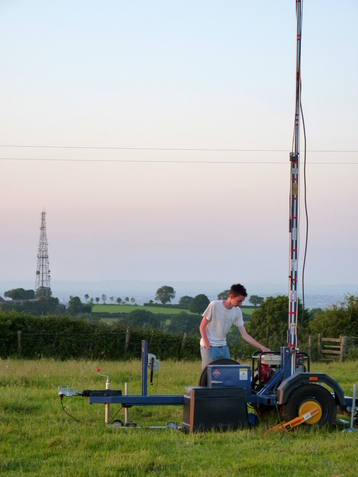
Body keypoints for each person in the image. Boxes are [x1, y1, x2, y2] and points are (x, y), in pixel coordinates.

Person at [199, 283, 270, 369]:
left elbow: (244, 335)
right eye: (239, 301)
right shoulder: (214, 305)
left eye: (242, 301)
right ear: (231, 296)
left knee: (227, 374)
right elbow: (202, 327)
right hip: (210, 347)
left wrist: (262, 347)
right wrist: (208, 347)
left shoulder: (237, 311)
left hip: (224, 347)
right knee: (208, 376)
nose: (240, 304)